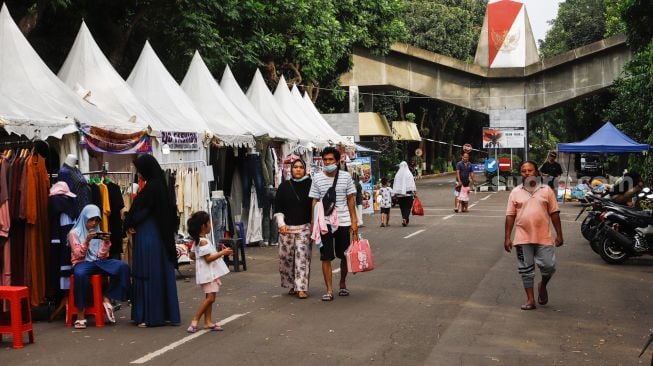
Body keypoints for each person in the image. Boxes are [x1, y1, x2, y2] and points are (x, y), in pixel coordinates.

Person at [126, 154, 180, 327]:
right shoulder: (159, 186)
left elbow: (141, 212)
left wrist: (129, 221)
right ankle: (159, 314)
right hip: (158, 236)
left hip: (149, 236)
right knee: (157, 272)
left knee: (149, 273)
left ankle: (150, 316)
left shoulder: (151, 189)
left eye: (139, 170)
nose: (138, 173)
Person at [504, 161, 564, 310]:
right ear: (520, 173)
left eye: (530, 170)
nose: (527, 173)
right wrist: (507, 237)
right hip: (522, 237)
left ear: (536, 172)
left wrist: (559, 235)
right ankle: (530, 299)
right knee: (526, 270)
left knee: (549, 267)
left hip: (544, 237)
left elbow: (554, 213)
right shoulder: (515, 192)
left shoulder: (547, 190)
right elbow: (510, 215)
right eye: (523, 171)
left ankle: (542, 285)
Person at [68, 205, 130, 329]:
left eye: (97, 220)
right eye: (91, 219)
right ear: (84, 218)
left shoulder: (99, 232)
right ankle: (81, 314)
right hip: (82, 262)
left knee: (123, 267)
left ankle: (107, 296)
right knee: (80, 275)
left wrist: (106, 242)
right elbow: (78, 254)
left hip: (98, 262)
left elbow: (101, 255)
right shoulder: (74, 233)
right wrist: (86, 241)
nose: (94, 223)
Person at [309, 147, 358, 302]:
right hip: (325, 223)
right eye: (325, 160)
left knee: (344, 255)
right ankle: (329, 289)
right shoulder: (317, 178)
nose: (327, 162)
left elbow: (351, 199)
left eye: (330, 159)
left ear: (337, 161)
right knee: (326, 257)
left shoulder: (346, 177)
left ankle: (342, 283)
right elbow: (314, 201)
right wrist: (314, 223)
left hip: (343, 221)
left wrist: (354, 222)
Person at [186, 211, 233, 333]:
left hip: (205, 274)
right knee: (210, 298)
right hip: (209, 274)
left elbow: (192, 255)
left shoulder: (198, 240)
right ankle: (195, 320)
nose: (211, 225)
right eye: (209, 223)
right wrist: (222, 253)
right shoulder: (204, 241)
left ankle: (208, 321)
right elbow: (208, 259)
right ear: (203, 226)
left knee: (210, 297)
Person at [274, 159, 313, 299]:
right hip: (286, 229)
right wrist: (281, 223)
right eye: (295, 167)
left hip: (304, 228)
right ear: (291, 169)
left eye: (301, 167)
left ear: (305, 169)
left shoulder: (311, 185)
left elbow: (315, 206)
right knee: (286, 258)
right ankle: (292, 285)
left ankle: (301, 288)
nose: (298, 169)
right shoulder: (284, 186)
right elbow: (278, 206)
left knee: (302, 259)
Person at [392, 161, 417, 227]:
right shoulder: (409, 174)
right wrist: (415, 192)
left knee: (402, 208)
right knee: (408, 208)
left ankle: (404, 218)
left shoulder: (397, 175)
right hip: (409, 195)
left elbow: (395, 184)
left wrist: (394, 193)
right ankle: (405, 219)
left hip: (400, 195)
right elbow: (412, 184)